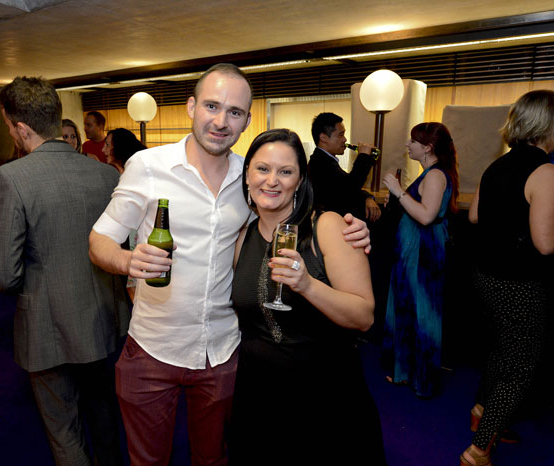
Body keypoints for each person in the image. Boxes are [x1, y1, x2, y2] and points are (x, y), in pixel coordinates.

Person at [88, 63, 370, 466]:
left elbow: (289, 218)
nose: (221, 121)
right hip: (153, 346)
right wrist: (126, 259)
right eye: (212, 106)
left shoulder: (251, 176)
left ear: (246, 121)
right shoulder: (148, 167)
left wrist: (351, 230)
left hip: (223, 352)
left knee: (215, 459)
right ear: (191, 106)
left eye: (234, 112)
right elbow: (99, 240)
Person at [0, 77, 130, 466]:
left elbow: (3, 274)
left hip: (47, 325)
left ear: (19, 127)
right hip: (103, 317)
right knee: (104, 415)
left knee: (63, 427)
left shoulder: (10, 178)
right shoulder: (105, 175)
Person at [228, 129, 386, 465]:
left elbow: (363, 315)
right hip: (258, 395)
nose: (272, 181)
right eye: (262, 169)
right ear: (247, 177)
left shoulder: (327, 227)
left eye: (285, 172)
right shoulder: (241, 236)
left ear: (300, 181)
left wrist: (308, 286)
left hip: (324, 396)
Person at [460, 90, 554, 466]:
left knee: (501, 351)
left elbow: (474, 217)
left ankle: (482, 413)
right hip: (520, 281)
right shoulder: (545, 171)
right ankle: (478, 450)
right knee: (520, 365)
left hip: (486, 276)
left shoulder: (495, 165)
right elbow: (545, 244)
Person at [381, 122, 459, 398]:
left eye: (413, 141)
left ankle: (420, 378)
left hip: (421, 252)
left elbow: (426, 216)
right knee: (407, 306)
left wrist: (397, 190)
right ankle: (405, 371)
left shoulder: (436, 175)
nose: (407, 145)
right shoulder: (431, 172)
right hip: (414, 249)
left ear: (427, 148)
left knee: (420, 311)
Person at [308, 112, 381, 222]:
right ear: (323, 138)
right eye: (340, 135)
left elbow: (342, 187)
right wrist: (363, 157)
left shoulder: (326, 160)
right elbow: (350, 188)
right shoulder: (319, 164)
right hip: (334, 225)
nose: (345, 139)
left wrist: (368, 198)